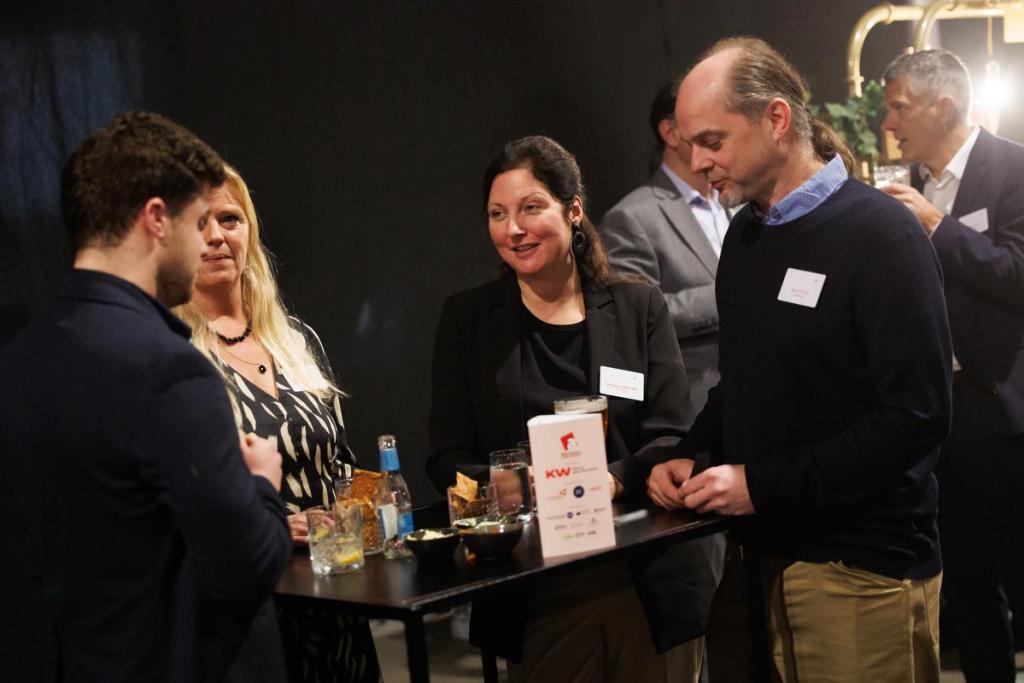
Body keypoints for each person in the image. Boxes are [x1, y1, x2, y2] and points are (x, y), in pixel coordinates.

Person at [647, 37, 952, 682]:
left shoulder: (882, 235)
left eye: (712, 141)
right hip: (755, 560)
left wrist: (761, 485)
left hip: (859, 570)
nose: (696, 162)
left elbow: (916, 416)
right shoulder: (747, 236)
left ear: (777, 119)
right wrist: (692, 452)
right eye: (690, 144)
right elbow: (745, 382)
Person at [0, 111, 292, 681]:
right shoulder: (170, 369)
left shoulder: (24, 355)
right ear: (157, 219)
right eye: (198, 221)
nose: (207, 240)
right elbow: (247, 568)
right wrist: (262, 482)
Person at [427, 135, 722, 683]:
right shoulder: (468, 321)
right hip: (536, 585)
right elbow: (446, 456)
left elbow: (673, 434)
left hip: (644, 575)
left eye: (531, 207)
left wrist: (609, 479)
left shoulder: (638, 306)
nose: (514, 229)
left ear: (574, 210)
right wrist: (515, 483)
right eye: (497, 214)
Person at [173, 164, 381, 683]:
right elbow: (183, 500)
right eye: (199, 223)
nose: (217, 236)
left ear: (250, 231)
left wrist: (359, 514)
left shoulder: (296, 339)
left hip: (337, 596)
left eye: (230, 219)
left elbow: (341, 464)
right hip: (255, 607)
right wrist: (270, 525)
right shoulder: (176, 356)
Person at [881, 49, 1024, 683]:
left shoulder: (1013, 167)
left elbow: (1018, 274)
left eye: (898, 107)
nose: (888, 123)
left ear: (943, 107)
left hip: (1002, 409)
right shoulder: (904, 181)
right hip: (939, 413)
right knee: (966, 587)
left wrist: (937, 224)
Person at [601, 82, 732, 426]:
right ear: (670, 132)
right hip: (697, 405)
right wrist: (731, 292)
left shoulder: (738, 200)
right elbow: (636, 318)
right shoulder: (631, 217)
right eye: (707, 121)